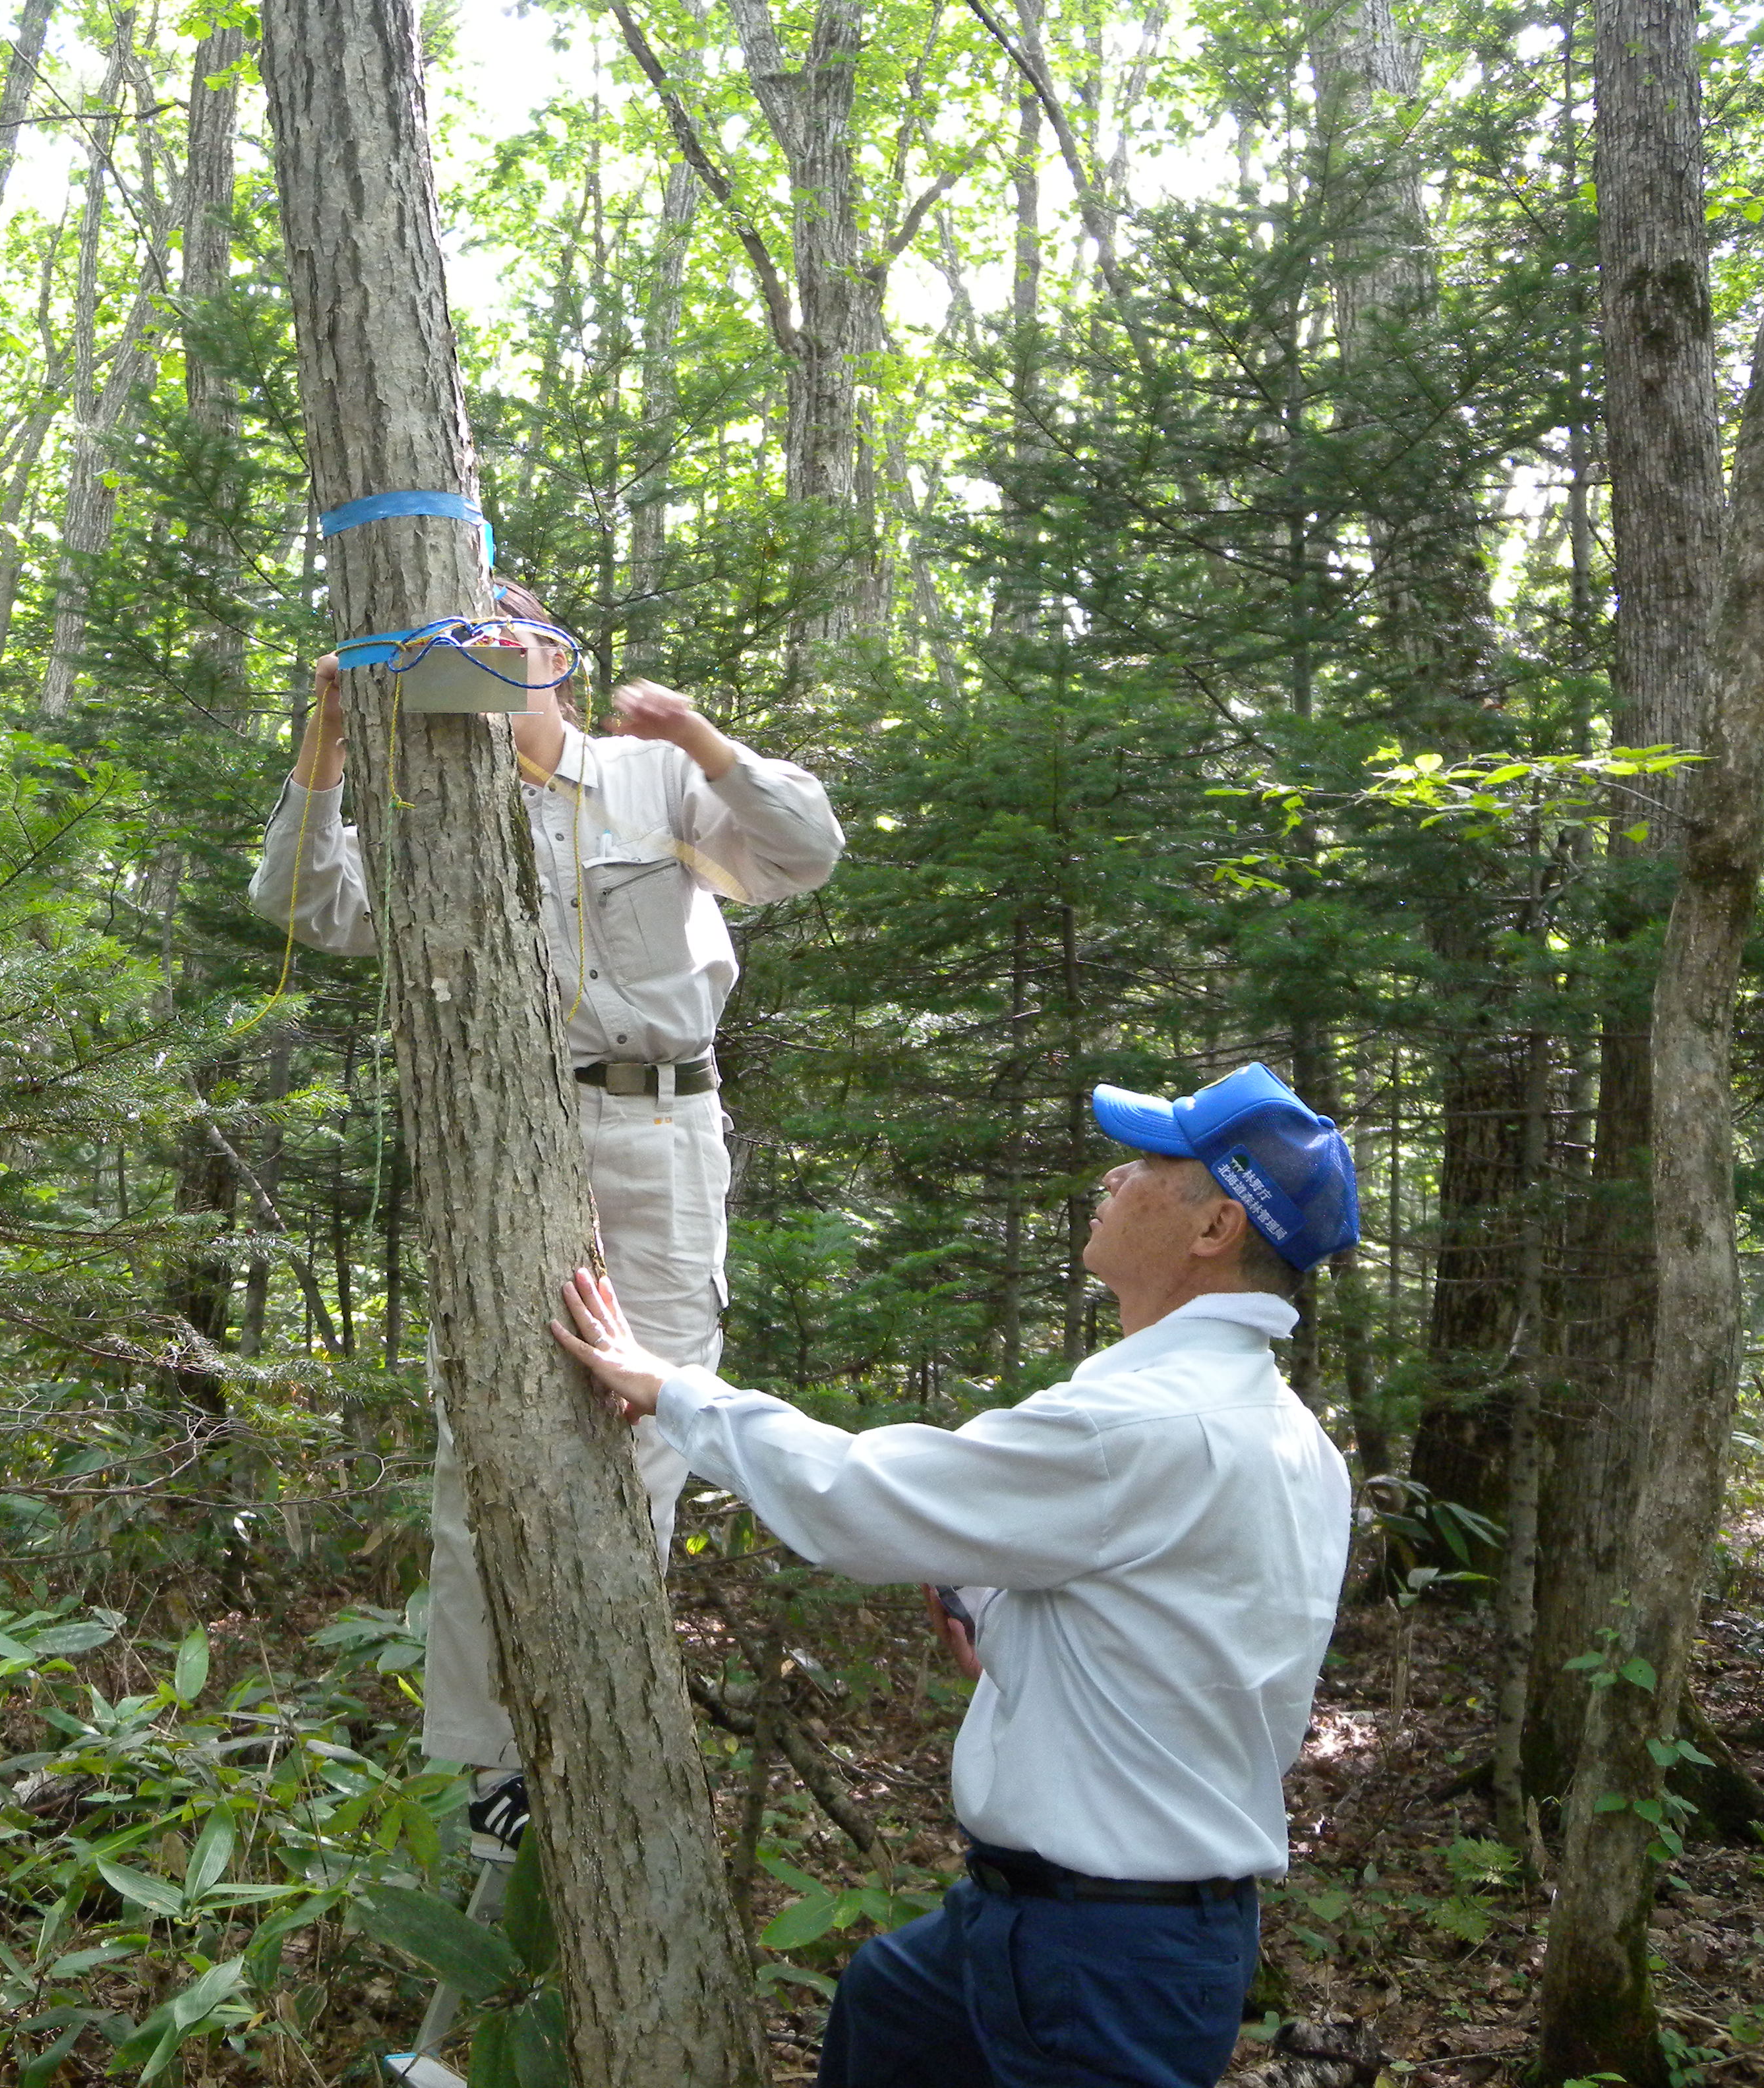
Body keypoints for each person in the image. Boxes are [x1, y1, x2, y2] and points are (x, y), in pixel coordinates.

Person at [550, 1060, 1360, 2088]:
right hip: (1063, 1927)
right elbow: (1170, 1616)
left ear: (1215, 1230)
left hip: (1105, 1957)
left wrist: (676, 1394)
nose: (1110, 1181)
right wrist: (986, 1599)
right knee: (889, 2002)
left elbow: (858, 1497)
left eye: (1149, 1164)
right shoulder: (1287, 1437)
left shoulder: (1149, 1423)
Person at [248, 578, 844, 1845]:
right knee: (491, 1439)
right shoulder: (431, 810)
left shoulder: (648, 779)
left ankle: (609, 1710)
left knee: (660, 1412)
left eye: (500, 626)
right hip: (510, 1137)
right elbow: (306, 907)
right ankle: (490, 1772)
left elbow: (801, 853)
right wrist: (331, 736)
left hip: (662, 1128)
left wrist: (696, 736)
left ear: (549, 652)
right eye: (455, 636)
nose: (482, 652)